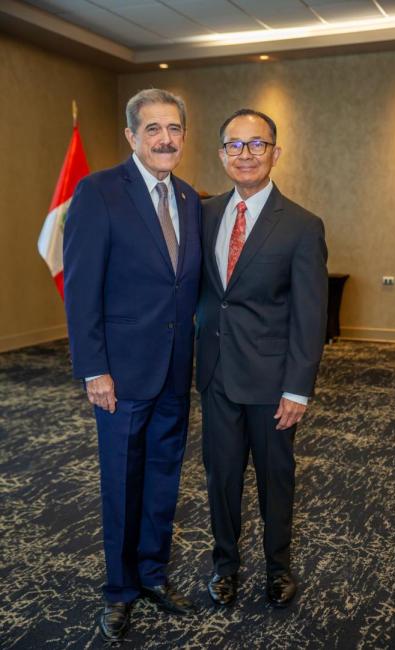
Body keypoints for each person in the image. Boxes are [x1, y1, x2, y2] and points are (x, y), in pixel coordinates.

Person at [63, 89, 201, 642]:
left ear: (184, 136)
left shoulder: (189, 197)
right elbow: (81, 290)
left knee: (164, 477)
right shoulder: (98, 192)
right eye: (153, 129)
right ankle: (119, 590)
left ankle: (153, 575)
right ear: (131, 136)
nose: (165, 139)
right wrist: (94, 369)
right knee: (122, 481)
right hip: (119, 374)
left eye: (174, 128)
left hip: (175, 369)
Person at [196, 109, 328, 608]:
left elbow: (310, 315)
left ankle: (278, 567)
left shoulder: (301, 225)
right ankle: (225, 565)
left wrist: (298, 389)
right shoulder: (204, 215)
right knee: (221, 478)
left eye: (257, 144)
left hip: (273, 383)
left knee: (276, 481)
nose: (245, 154)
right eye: (235, 144)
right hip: (216, 375)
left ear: (276, 153)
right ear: (221, 154)